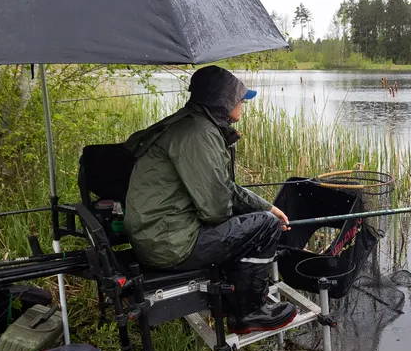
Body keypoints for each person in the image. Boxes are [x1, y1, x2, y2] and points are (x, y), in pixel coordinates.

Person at [122, 65, 297, 334]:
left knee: (259, 219)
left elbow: (222, 187)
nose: (243, 105)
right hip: (170, 245)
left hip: (158, 235)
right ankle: (249, 312)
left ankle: (232, 298)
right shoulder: (198, 134)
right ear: (223, 101)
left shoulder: (192, 123)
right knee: (266, 227)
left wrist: (267, 206)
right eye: (240, 99)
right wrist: (262, 218)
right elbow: (216, 209)